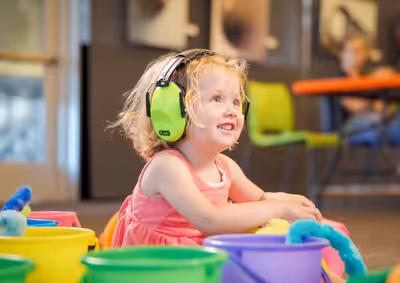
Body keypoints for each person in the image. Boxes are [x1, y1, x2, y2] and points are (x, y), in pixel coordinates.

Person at [109, 49, 321, 248]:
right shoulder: (167, 166)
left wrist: (294, 204)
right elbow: (209, 219)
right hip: (157, 267)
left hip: (200, 256)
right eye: (216, 99)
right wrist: (280, 209)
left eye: (236, 102)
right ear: (172, 109)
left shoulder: (225, 166)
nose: (231, 110)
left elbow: (260, 199)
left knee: (281, 241)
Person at [331, 35, 400, 146]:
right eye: (352, 50)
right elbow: (355, 106)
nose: (355, 55)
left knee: (391, 122)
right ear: (343, 54)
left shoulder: (367, 77)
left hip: (373, 123)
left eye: (359, 50)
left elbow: (383, 107)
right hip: (348, 126)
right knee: (384, 123)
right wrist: (374, 106)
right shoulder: (339, 78)